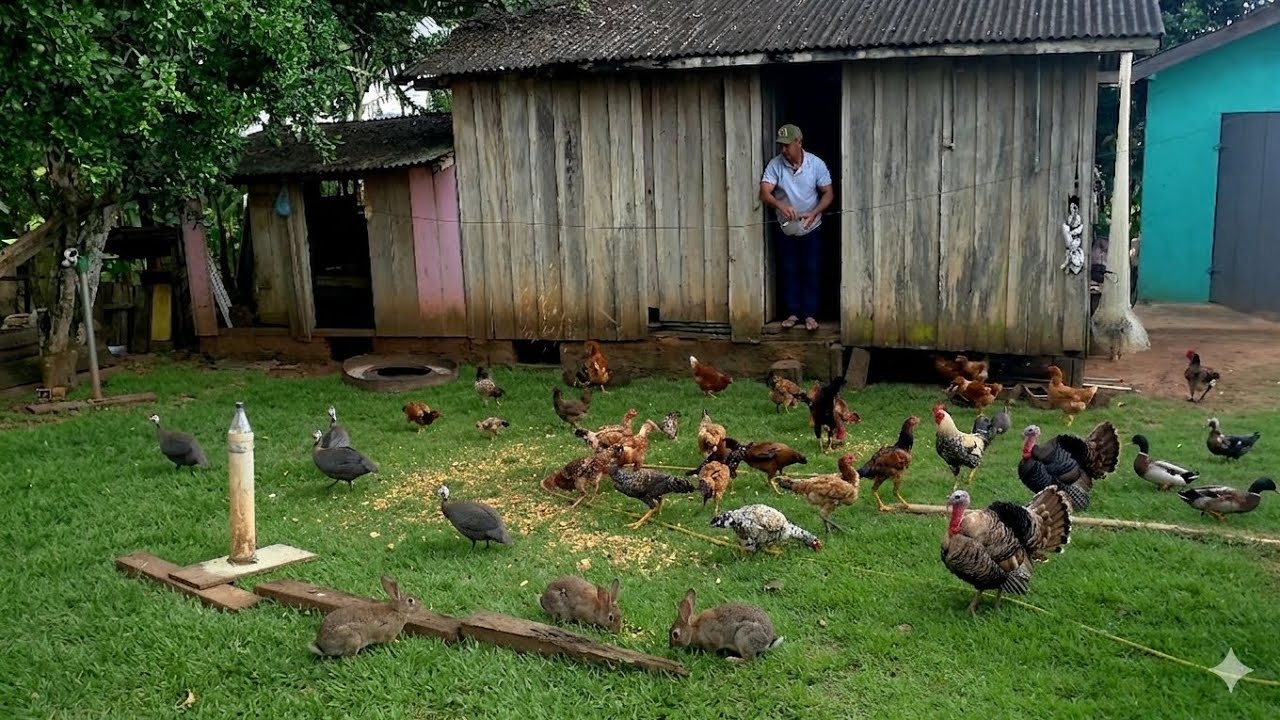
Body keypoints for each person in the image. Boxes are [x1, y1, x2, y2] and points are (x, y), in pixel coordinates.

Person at [759, 123, 833, 331]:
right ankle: (792, 313)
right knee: (789, 268)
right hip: (786, 226)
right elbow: (765, 193)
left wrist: (816, 211)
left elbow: (828, 193)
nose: (783, 150)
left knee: (811, 268)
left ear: (798, 142)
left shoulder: (816, 164)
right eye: (780, 146)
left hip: (811, 224)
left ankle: (810, 315)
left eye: (786, 145)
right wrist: (780, 204)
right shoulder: (775, 165)